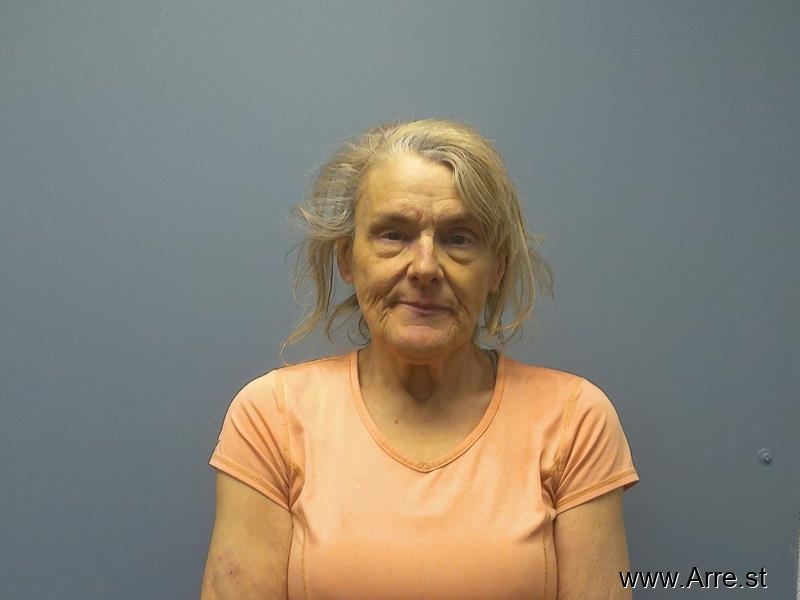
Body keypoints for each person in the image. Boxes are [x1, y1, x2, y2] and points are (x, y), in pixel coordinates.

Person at [201, 119, 638, 599]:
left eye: (459, 238)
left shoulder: (574, 420)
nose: (425, 267)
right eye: (393, 235)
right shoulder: (272, 417)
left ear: (497, 267)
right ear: (346, 258)